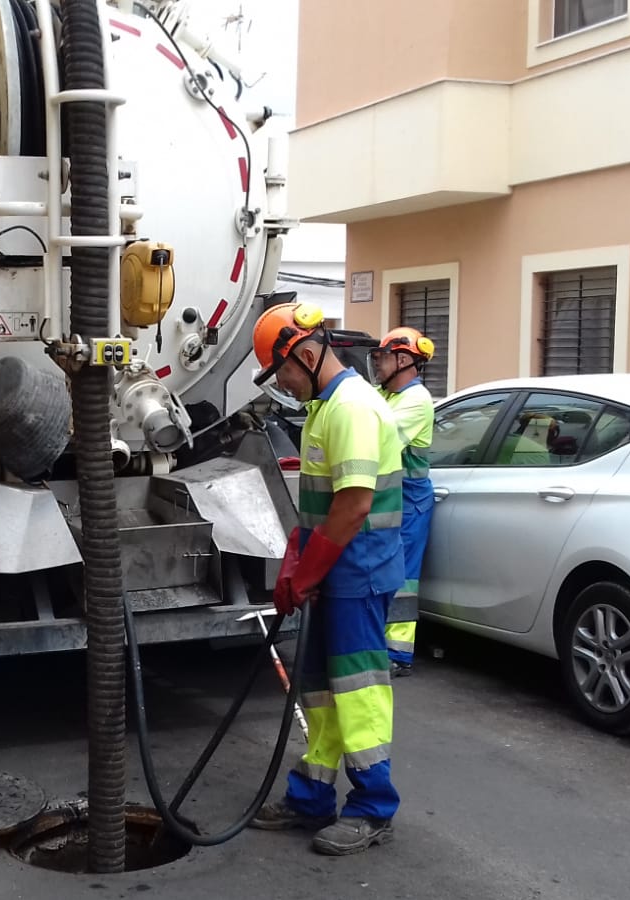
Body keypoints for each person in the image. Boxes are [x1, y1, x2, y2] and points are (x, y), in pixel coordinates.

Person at [246, 301, 406, 856]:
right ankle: (312, 794)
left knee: (358, 692)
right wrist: (297, 562)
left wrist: (309, 571)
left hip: (357, 576)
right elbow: (320, 505)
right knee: (317, 689)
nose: (284, 385)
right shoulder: (323, 406)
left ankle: (372, 807)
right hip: (332, 570)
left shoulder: (353, 409)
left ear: (309, 354)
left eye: (283, 371)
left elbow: (356, 505)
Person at [369, 327, 436, 678]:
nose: (377, 364)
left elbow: (379, 440)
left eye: (382, 358)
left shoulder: (416, 400)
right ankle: (381, 645)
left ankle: (398, 654)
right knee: (385, 571)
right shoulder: (389, 396)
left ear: (403, 360)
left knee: (402, 576)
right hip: (393, 498)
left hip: (410, 501)